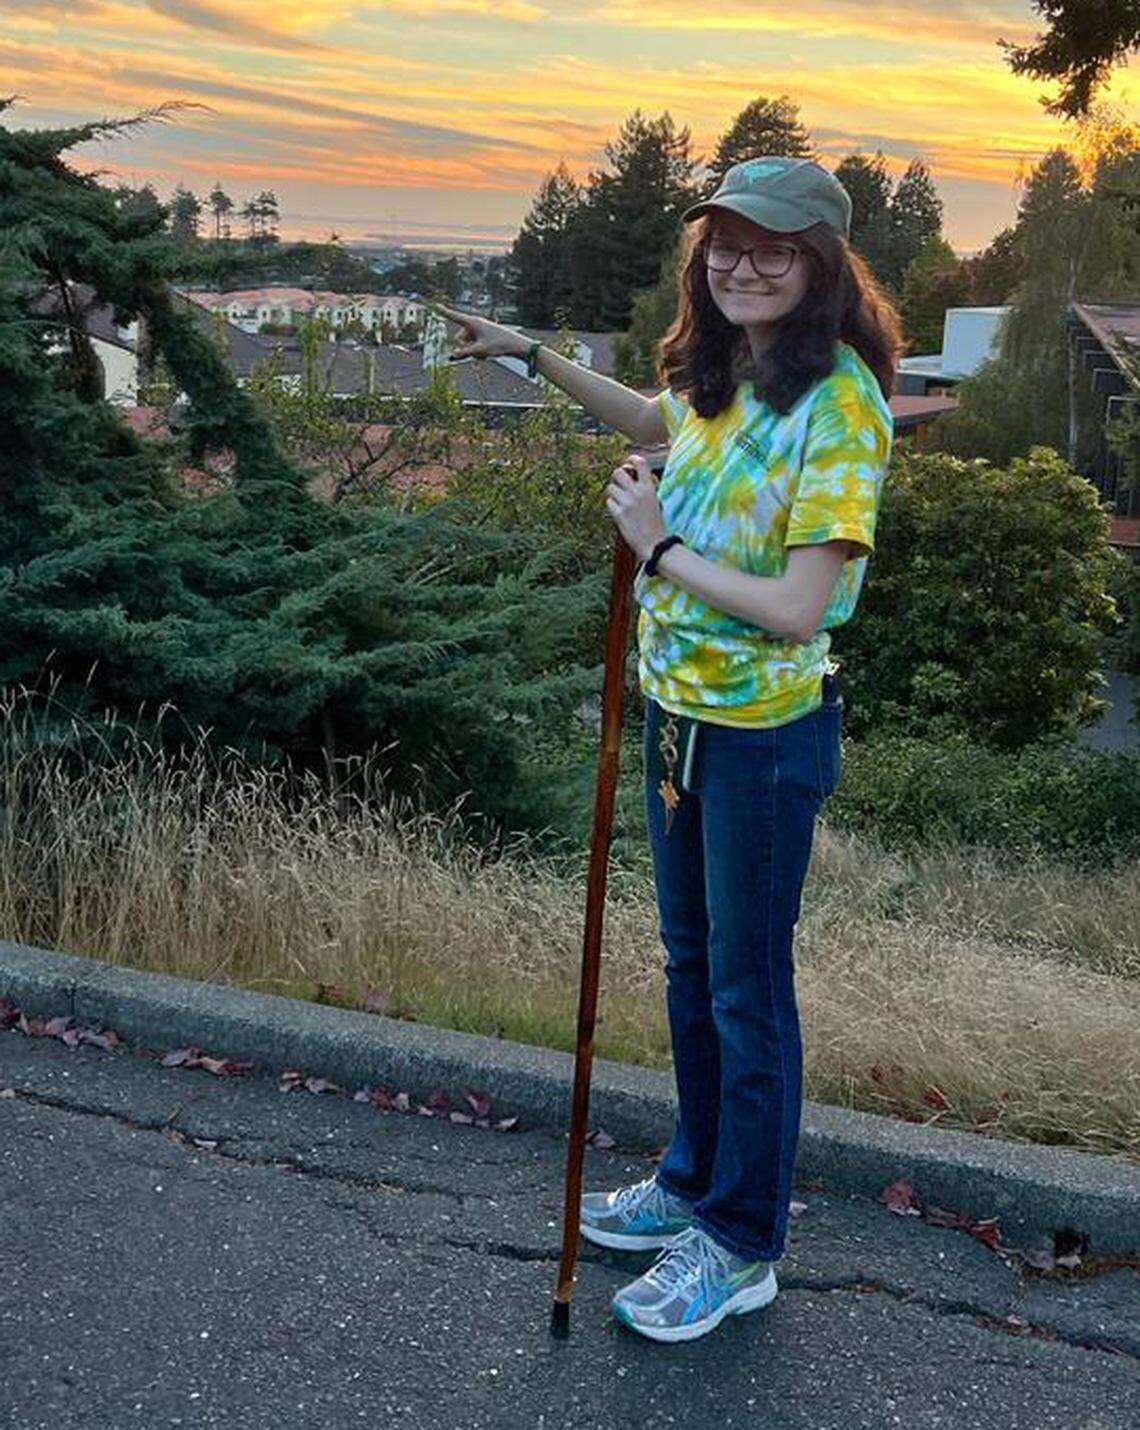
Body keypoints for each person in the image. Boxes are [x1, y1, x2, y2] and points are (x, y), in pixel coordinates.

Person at [434, 154, 902, 1344]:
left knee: (750, 990)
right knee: (692, 967)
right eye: (726, 244)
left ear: (823, 265)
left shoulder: (841, 402)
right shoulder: (734, 368)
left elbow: (801, 604)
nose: (743, 264)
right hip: (679, 717)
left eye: (774, 247)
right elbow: (659, 423)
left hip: (765, 737)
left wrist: (654, 547)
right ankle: (694, 1179)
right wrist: (527, 352)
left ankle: (743, 1241)